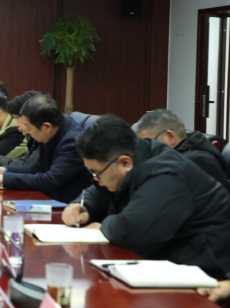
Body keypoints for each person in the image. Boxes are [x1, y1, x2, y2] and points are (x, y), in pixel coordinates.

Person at [62, 115, 230, 301]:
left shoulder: (166, 173)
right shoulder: (139, 152)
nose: (95, 179)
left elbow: (131, 232)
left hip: (208, 272)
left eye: (96, 173)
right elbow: (98, 189)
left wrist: (103, 225)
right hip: (173, 262)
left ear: (125, 163)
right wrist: (83, 205)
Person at [0, 94, 92, 203]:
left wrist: (3, 179)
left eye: (29, 127)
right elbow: (35, 169)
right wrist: (3, 170)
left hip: (67, 207)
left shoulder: (72, 142)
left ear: (47, 126)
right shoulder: (50, 133)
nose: (27, 131)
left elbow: (50, 181)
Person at [135, 109, 230, 191]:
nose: (146, 152)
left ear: (170, 137)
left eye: (149, 144)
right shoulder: (184, 151)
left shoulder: (196, 162)